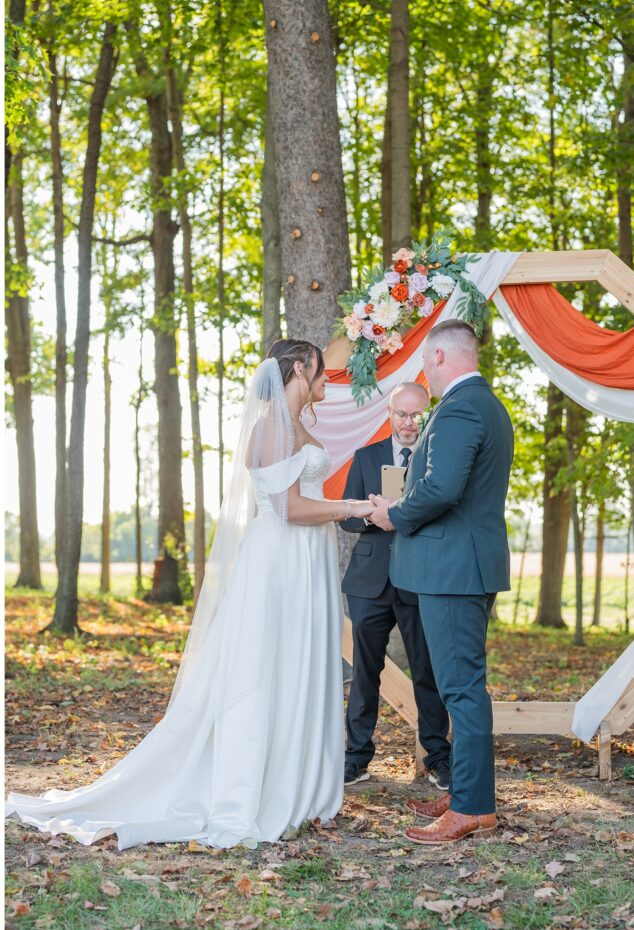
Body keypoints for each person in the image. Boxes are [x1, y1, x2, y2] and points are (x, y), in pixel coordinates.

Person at [6, 340, 374, 850]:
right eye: (320, 371)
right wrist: (351, 508)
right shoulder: (270, 429)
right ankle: (250, 788)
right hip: (279, 562)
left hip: (308, 560)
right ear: (297, 368)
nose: (326, 379)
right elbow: (288, 509)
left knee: (299, 662)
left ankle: (298, 783)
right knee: (265, 665)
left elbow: (304, 500)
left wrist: (342, 507)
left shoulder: (303, 428)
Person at [368, 320, 514, 845]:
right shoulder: (484, 405)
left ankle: (473, 807)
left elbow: (441, 488)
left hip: (454, 571)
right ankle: (466, 793)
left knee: (461, 687)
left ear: (436, 357)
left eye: (424, 361)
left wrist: (394, 514)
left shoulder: (459, 408)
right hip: (460, 566)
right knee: (460, 684)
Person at [340, 382, 451, 789]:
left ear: (428, 415)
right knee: (365, 672)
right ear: (389, 414)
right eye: (401, 414)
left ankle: (438, 757)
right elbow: (347, 516)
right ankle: (356, 758)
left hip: (420, 579)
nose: (408, 423)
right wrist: (374, 514)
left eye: (416, 415)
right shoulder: (366, 457)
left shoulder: (438, 462)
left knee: (428, 671)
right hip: (369, 581)